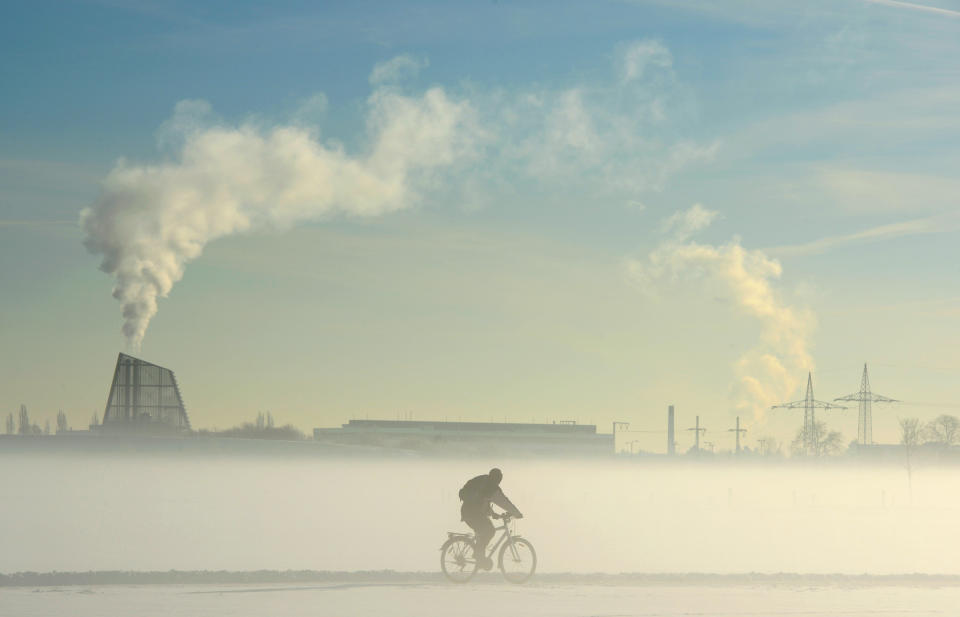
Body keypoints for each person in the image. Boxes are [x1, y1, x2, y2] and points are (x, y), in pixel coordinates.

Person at [458, 467, 523, 570]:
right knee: (489, 531)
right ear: (497, 479)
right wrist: (517, 513)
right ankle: (478, 555)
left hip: (470, 512)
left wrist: (493, 514)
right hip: (472, 514)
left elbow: (482, 500)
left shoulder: (484, 482)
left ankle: (479, 557)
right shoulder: (491, 487)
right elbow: (503, 501)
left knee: (484, 530)